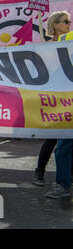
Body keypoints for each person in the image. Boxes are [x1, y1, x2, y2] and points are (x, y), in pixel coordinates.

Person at [44, 11, 72, 199]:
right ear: (55, 24)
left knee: (64, 145)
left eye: (70, 21)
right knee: (63, 144)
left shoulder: (68, 41)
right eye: (66, 21)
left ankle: (63, 184)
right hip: (63, 103)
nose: (70, 24)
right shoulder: (47, 47)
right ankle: (62, 184)